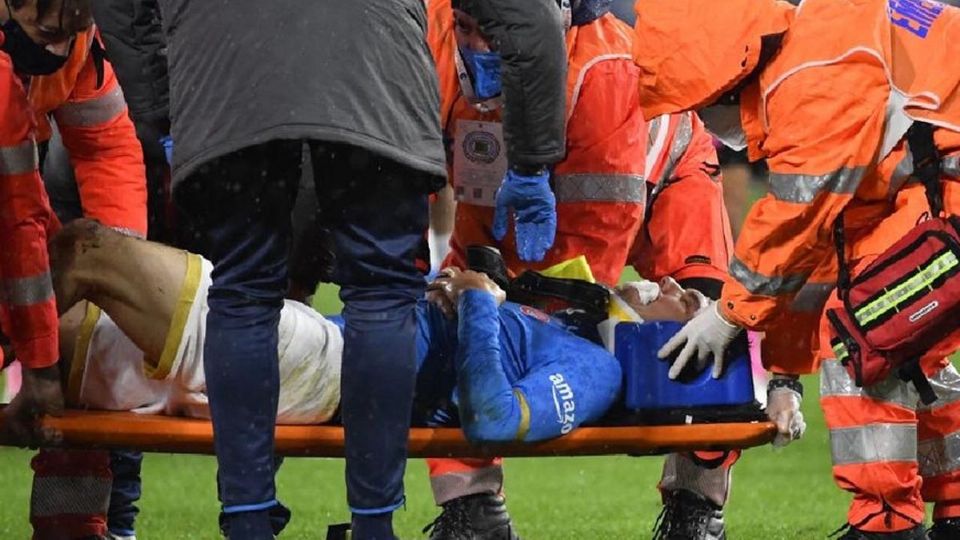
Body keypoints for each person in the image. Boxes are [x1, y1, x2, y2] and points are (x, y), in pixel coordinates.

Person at [153, 0, 567, 536]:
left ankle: (246, 520)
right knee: (381, 298)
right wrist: (531, 163)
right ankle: (374, 526)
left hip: (227, 75)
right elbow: (527, 18)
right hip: (371, 73)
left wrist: (161, 110)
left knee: (242, 295)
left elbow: (124, 12)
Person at [22, 219, 715, 536]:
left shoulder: (595, 370)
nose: (669, 283)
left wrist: (475, 301)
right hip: (301, 358)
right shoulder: (571, 328)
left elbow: (495, 422)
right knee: (44, 322)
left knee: (84, 249)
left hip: (317, 369)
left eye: (685, 301)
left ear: (664, 344)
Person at [637, 0, 960, 538]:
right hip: (939, 197)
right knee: (906, 349)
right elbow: (824, 249)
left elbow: (797, 223)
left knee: (862, 339)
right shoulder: (817, 43)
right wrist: (784, 371)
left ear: (723, 75)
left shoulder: (811, 75)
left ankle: (885, 527)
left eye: (699, 103)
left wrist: (729, 315)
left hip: (943, 200)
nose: (704, 119)